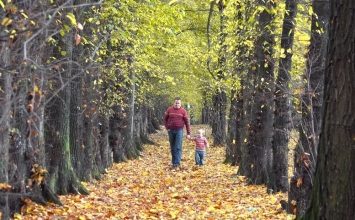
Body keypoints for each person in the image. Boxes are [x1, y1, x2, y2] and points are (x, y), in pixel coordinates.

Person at [163, 97, 191, 168]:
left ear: (180, 103)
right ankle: (173, 163)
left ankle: (177, 163)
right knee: (172, 147)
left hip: (179, 131)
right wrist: (167, 128)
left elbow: (187, 122)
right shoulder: (169, 110)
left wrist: (188, 133)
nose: (177, 104)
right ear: (174, 103)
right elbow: (165, 119)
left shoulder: (183, 111)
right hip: (171, 131)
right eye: (176, 103)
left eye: (178, 103)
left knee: (178, 147)